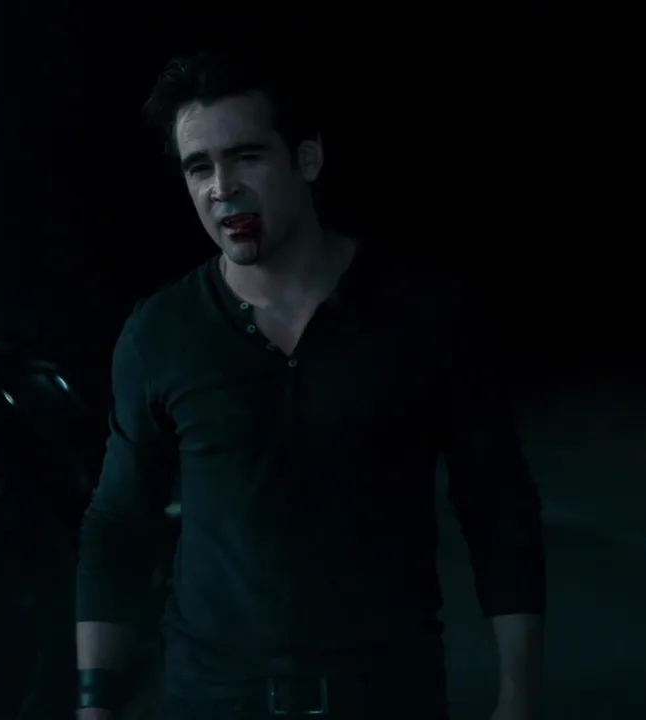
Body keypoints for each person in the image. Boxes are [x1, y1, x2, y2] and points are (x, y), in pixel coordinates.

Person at [74, 50, 546, 720]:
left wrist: (520, 695)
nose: (222, 187)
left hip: (386, 699)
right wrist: (94, 704)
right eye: (199, 167)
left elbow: (497, 505)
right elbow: (120, 521)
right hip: (214, 702)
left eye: (246, 157)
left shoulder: (425, 312)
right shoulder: (160, 333)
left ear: (308, 159)